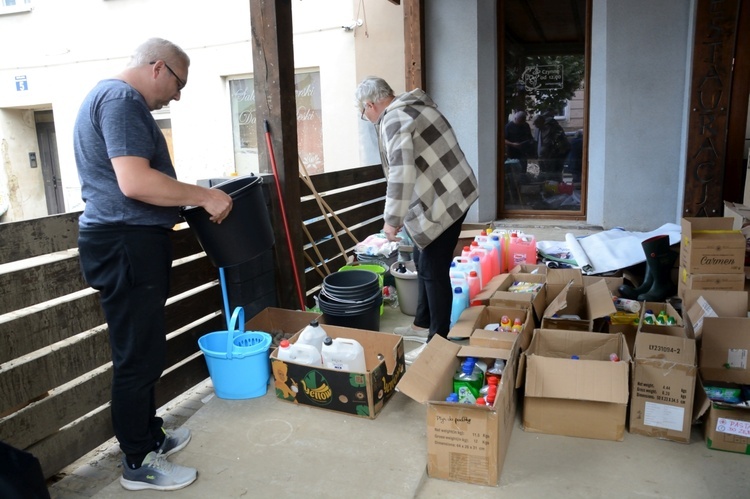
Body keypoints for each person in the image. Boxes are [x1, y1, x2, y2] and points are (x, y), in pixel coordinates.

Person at [73, 38, 233, 492]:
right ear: (158, 67)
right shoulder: (122, 99)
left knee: (143, 350)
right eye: (178, 84)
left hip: (127, 241)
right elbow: (134, 181)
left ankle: (149, 436)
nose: (177, 96)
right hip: (125, 242)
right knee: (136, 356)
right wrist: (203, 195)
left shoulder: (111, 98)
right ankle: (137, 462)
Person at [356, 76, 478, 342]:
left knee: (434, 270)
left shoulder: (394, 118)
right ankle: (422, 325)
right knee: (424, 261)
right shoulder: (414, 107)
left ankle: (438, 341)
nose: (366, 117)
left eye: (363, 112)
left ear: (370, 105)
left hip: (448, 199)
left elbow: (401, 173)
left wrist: (392, 220)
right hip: (452, 193)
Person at [533, 112, 570, 183]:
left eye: (536, 124)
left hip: (558, 152)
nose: (535, 126)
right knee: (554, 172)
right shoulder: (543, 126)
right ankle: (554, 185)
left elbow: (546, 145)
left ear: (540, 122)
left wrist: (541, 157)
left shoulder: (549, 127)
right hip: (556, 152)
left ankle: (555, 186)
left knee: (554, 172)